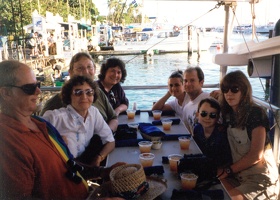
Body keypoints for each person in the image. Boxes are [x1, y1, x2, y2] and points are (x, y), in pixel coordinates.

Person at [0, 60, 124, 199]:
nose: (39, 91)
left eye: (37, 85)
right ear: (6, 93)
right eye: (29, 88)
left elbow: (67, 164)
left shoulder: (41, 124)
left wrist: (102, 172)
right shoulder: (8, 141)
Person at [217, 70, 279, 199]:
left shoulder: (255, 113)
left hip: (260, 180)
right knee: (211, 187)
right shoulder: (229, 114)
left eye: (234, 89)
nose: (229, 93)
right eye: (225, 89)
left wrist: (228, 170)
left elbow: (256, 155)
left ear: (244, 91)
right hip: (238, 176)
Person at [42, 75, 115, 167]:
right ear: (69, 96)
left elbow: (110, 141)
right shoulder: (55, 117)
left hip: (84, 164)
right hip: (61, 167)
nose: (84, 97)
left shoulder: (93, 112)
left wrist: (99, 157)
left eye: (89, 92)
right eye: (78, 92)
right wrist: (53, 143)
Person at [40, 52, 118, 133]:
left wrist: (107, 133)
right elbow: (42, 131)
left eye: (89, 67)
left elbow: (113, 118)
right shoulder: (55, 103)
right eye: (80, 68)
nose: (86, 72)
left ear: (94, 70)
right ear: (70, 72)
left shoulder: (99, 93)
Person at [193, 98, 232, 170]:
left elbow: (226, 160)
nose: (207, 118)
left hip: (217, 169)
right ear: (197, 114)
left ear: (217, 118)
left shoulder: (221, 134)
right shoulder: (197, 129)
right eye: (203, 114)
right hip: (201, 165)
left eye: (212, 115)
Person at [182, 67, 210, 134]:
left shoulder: (209, 99)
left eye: (192, 80)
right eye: (185, 81)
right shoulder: (186, 108)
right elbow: (188, 134)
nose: (188, 84)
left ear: (201, 82)